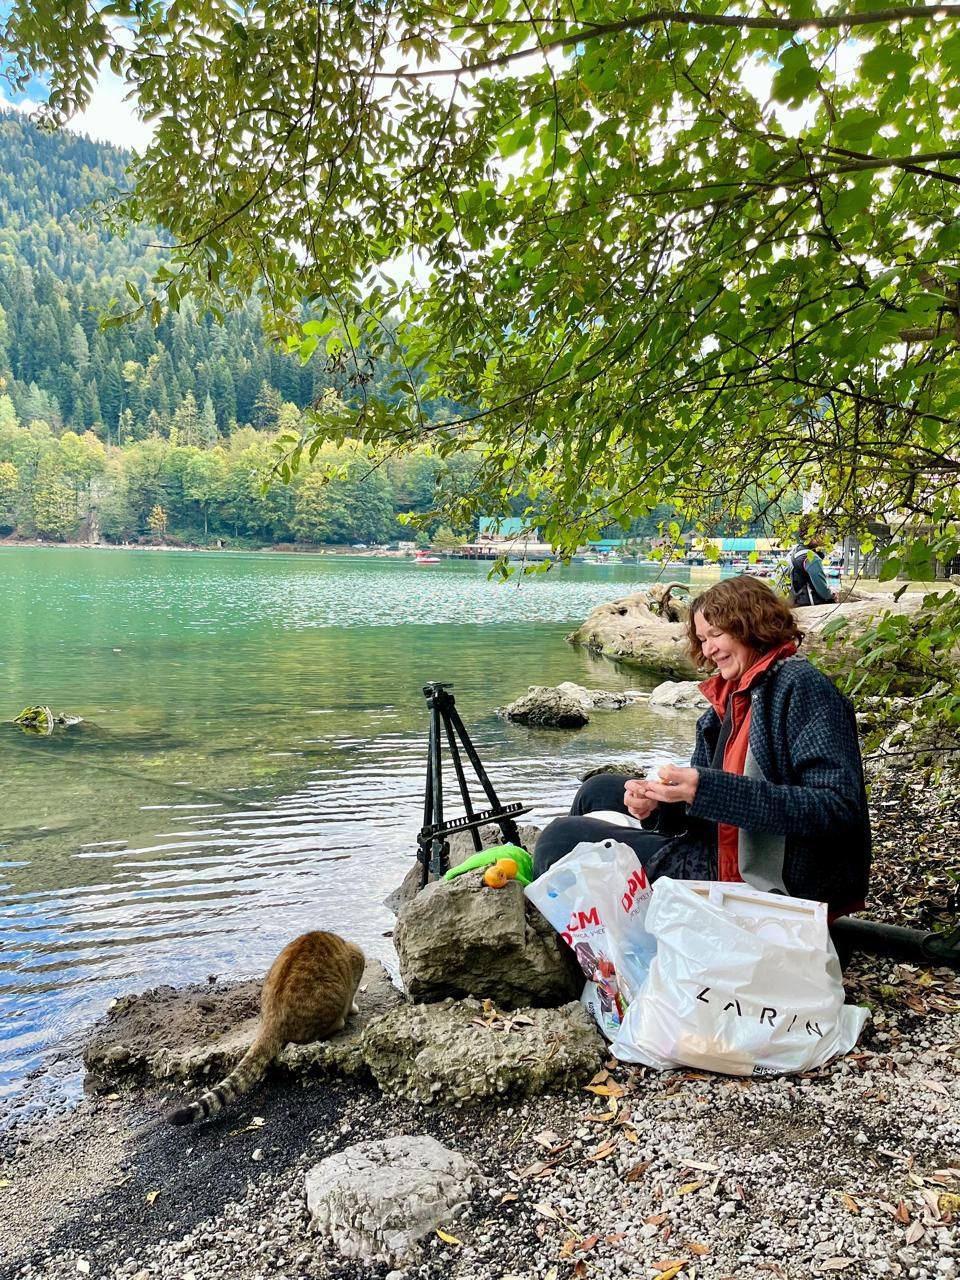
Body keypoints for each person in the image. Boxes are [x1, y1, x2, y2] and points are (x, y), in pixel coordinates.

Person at [533, 576, 870, 916]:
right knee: (598, 790)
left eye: (716, 634)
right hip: (722, 846)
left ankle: (587, 937)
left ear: (752, 625)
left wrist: (706, 790)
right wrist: (659, 806)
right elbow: (703, 808)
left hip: (767, 878)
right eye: (703, 639)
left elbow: (837, 810)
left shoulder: (802, 687)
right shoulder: (730, 697)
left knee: (559, 839)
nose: (708, 650)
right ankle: (600, 924)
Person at [787, 518, 836, 606]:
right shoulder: (811, 558)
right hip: (810, 605)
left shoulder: (797, 550)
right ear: (812, 535)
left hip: (796, 601)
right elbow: (823, 592)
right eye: (822, 532)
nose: (825, 536)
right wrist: (832, 594)